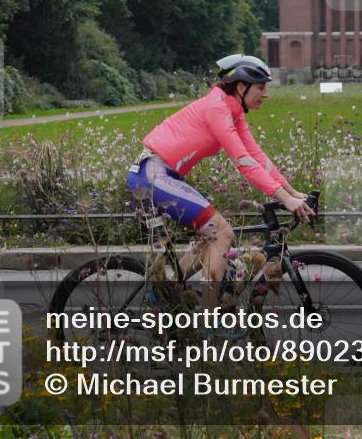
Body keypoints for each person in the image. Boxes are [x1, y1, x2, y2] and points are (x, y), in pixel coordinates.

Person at [127, 54, 315, 291]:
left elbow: (256, 156)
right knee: (223, 233)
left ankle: (165, 293)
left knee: (212, 236)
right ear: (241, 87)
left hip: (162, 176)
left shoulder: (232, 110)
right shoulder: (217, 108)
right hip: (153, 176)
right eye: (261, 87)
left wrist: (292, 192)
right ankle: (209, 317)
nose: (265, 93)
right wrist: (285, 199)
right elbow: (242, 162)